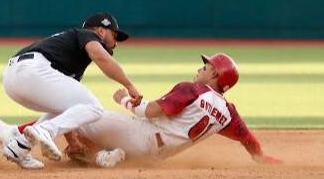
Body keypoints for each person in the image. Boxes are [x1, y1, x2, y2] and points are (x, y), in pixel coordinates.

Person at [61, 52, 282, 168]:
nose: (199, 69)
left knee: (79, 115)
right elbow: (247, 138)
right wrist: (260, 157)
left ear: (215, 75)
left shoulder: (193, 89)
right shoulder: (228, 113)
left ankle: (28, 133)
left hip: (140, 134)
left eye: (205, 67)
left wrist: (125, 100)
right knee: (75, 152)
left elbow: (151, 111)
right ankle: (104, 157)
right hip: (153, 157)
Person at [0, 12, 142, 169]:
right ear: (101, 31)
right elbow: (100, 57)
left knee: (74, 106)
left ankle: (19, 143)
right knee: (94, 108)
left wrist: (73, 142)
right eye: (115, 35)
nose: (116, 42)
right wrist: (129, 86)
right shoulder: (87, 35)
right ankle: (44, 130)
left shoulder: (73, 57)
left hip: (14, 78)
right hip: (32, 71)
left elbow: (65, 108)